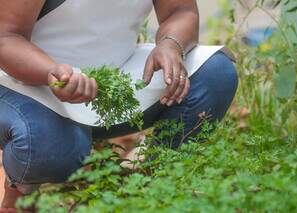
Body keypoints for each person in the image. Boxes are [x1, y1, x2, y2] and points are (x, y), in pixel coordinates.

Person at [0, 0, 238, 211]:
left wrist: (170, 45)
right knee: (51, 147)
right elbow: (6, 37)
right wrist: (51, 72)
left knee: (214, 75)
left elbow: (181, 10)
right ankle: (20, 191)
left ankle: (152, 184)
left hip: (113, 73)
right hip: (24, 81)